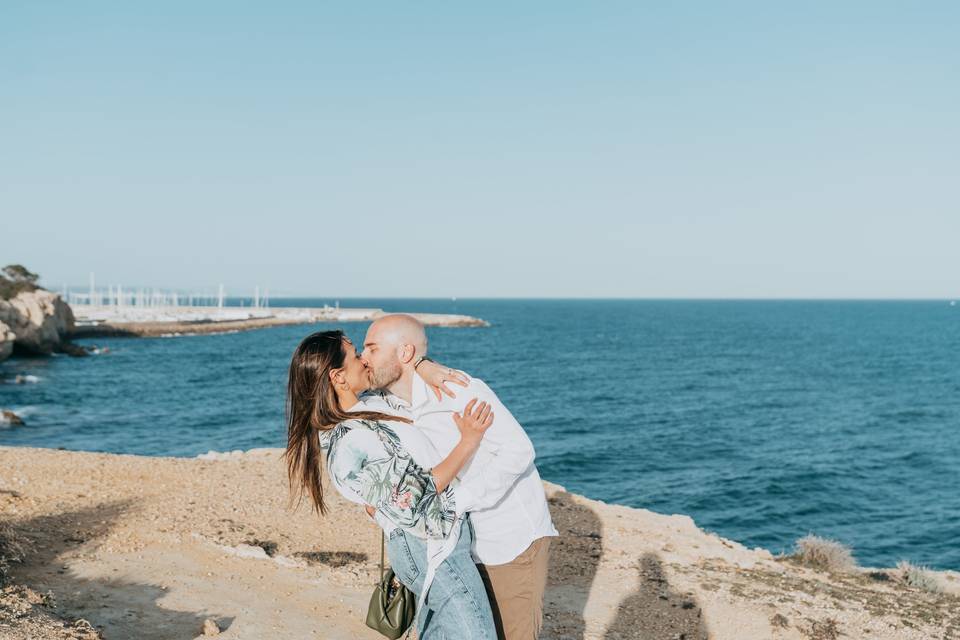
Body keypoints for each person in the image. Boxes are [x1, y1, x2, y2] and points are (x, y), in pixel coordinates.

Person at [284, 330, 498, 639]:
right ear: (338, 377)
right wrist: (469, 441)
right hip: (430, 547)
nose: (365, 359)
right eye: (356, 354)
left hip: (436, 542)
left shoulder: (368, 407)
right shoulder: (350, 440)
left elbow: (402, 373)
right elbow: (418, 495)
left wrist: (425, 365)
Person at [359, 314, 558, 640]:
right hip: (448, 550)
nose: (364, 358)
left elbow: (518, 452)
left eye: (372, 348)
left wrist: (456, 502)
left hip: (506, 542)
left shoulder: (459, 390)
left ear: (405, 353)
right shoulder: (381, 405)